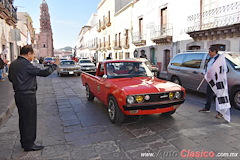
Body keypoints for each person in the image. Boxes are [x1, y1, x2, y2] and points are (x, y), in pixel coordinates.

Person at [8, 45, 60, 152]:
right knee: (30, 120)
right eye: (33, 54)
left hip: (18, 94)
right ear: (28, 54)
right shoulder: (26, 64)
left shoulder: (13, 64)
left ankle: (24, 142)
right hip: (27, 95)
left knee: (23, 119)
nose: (33, 56)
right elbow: (43, 73)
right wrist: (54, 65)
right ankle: (29, 144)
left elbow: (10, 78)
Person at [198, 46, 223, 119]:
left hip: (217, 80)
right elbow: (208, 67)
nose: (208, 53)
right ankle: (207, 108)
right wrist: (205, 73)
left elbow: (221, 69)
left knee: (219, 96)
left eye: (210, 52)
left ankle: (220, 112)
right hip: (210, 80)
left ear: (214, 51)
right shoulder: (210, 58)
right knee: (209, 93)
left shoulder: (219, 59)